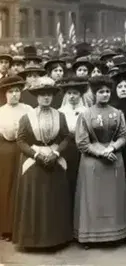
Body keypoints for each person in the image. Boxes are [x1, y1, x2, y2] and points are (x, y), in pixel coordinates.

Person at [12, 77, 73, 249]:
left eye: (49, 95)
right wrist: (36, 155)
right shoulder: (26, 117)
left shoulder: (60, 116)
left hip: (54, 158)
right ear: (36, 97)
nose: (46, 98)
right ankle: (32, 240)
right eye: (42, 95)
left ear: (53, 97)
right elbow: (21, 140)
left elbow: (66, 137)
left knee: (54, 199)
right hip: (34, 159)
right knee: (35, 199)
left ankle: (56, 239)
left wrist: (56, 152)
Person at [73, 76, 126, 247]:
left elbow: (123, 136)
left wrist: (111, 148)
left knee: (113, 198)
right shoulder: (85, 115)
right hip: (92, 162)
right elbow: (82, 142)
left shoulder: (117, 113)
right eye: (100, 92)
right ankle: (90, 236)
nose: (104, 94)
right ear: (94, 93)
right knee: (93, 199)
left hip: (114, 159)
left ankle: (115, 234)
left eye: (107, 92)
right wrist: (101, 152)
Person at [0, 76, 32, 241]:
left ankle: (22, 226)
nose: (14, 95)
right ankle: (6, 227)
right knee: (6, 186)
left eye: (17, 91)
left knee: (23, 185)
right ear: (5, 94)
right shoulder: (1, 111)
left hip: (25, 150)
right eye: (10, 91)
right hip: (5, 151)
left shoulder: (28, 109)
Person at [57, 76, 89, 212]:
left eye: (75, 93)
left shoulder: (87, 111)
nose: (72, 96)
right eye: (69, 93)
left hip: (82, 149)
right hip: (66, 149)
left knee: (82, 180)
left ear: (80, 95)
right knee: (67, 180)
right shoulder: (60, 111)